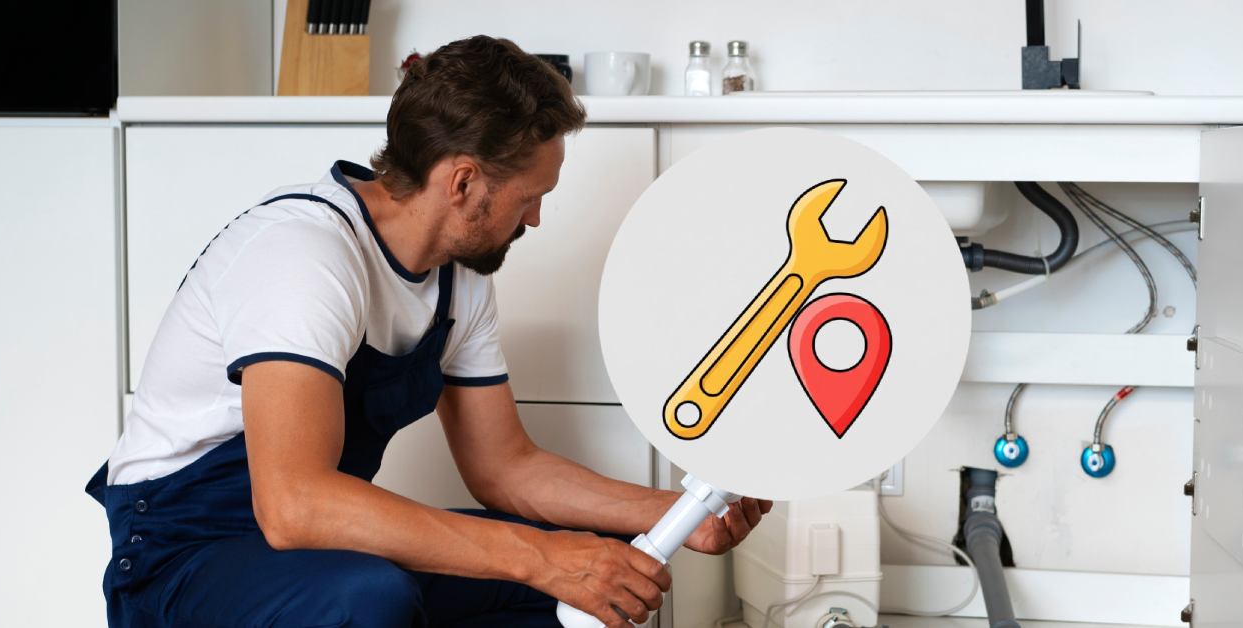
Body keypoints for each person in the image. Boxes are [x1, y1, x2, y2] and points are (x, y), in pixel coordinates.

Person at [85, 35, 770, 628]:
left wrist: (676, 513)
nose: (533, 222)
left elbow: (507, 468)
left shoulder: (459, 278)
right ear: (464, 181)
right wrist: (539, 559)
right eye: (528, 198)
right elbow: (294, 504)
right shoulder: (303, 255)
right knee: (371, 597)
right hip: (181, 552)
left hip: (310, 547)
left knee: (572, 577)